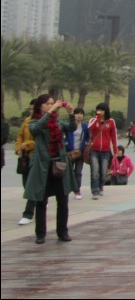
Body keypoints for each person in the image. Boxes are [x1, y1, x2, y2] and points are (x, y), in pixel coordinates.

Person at [23, 94, 78, 244]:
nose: (51, 106)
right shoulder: (34, 121)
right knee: (41, 201)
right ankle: (40, 234)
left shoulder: (58, 122)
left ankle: (63, 232)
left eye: (52, 103)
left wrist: (71, 114)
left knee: (63, 200)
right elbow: (35, 130)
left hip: (59, 164)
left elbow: (71, 128)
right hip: (43, 166)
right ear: (40, 106)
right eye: (47, 104)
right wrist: (49, 112)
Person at [88, 102, 117, 200]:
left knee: (104, 171)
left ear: (106, 111)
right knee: (95, 170)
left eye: (101, 110)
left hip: (105, 150)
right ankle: (94, 190)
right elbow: (90, 128)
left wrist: (115, 148)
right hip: (94, 150)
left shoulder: (111, 122)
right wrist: (98, 119)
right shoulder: (93, 120)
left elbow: (113, 136)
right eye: (98, 110)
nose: (99, 111)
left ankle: (101, 186)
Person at [15, 99, 37, 225]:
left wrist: (27, 145)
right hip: (25, 158)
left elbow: (41, 140)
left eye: (34, 109)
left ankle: (28, 213)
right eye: (30, 109)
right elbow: (19, 135)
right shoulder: (27, 121)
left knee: (32, 186)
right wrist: (18, 148)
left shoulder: (41, 122)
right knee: (26, 185)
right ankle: (39, 201)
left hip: (36, 157)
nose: (31, 111)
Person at [65, 107, 89, 199]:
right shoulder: (69, 125)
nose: (79, 116)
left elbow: (87, 137)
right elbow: (64, 136)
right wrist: (66, 143)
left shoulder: (84, 126)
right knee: (68, 172)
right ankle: (66, 190)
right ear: (74, 115)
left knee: (78, 172)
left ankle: (77, 190)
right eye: (77, 113)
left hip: (80, 152)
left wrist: (85, 144)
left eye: (81, 114)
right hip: (70, 152)